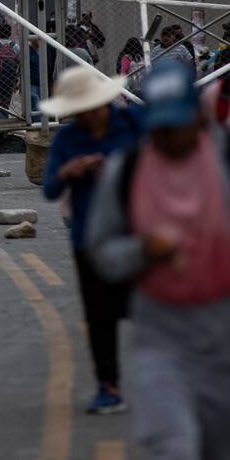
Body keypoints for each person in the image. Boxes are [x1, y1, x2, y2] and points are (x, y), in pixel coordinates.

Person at [87, 62, 230, 457]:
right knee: (174, 446)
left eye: (177, 124)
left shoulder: (224, 162)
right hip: (161, 335)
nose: (168, 136)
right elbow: (102, 250)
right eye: (160, 126)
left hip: (223, 334)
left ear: (198, 117)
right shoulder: (128, 170)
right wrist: (142, 250)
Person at [41, 66, 141, 415]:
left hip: (137, 231)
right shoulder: (68, 140)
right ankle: (108, 384)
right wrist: (70, 171)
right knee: (99, 314)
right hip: (89, 236)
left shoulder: (132, 126)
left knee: (150, 306)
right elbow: (50, 190)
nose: (83, 116)